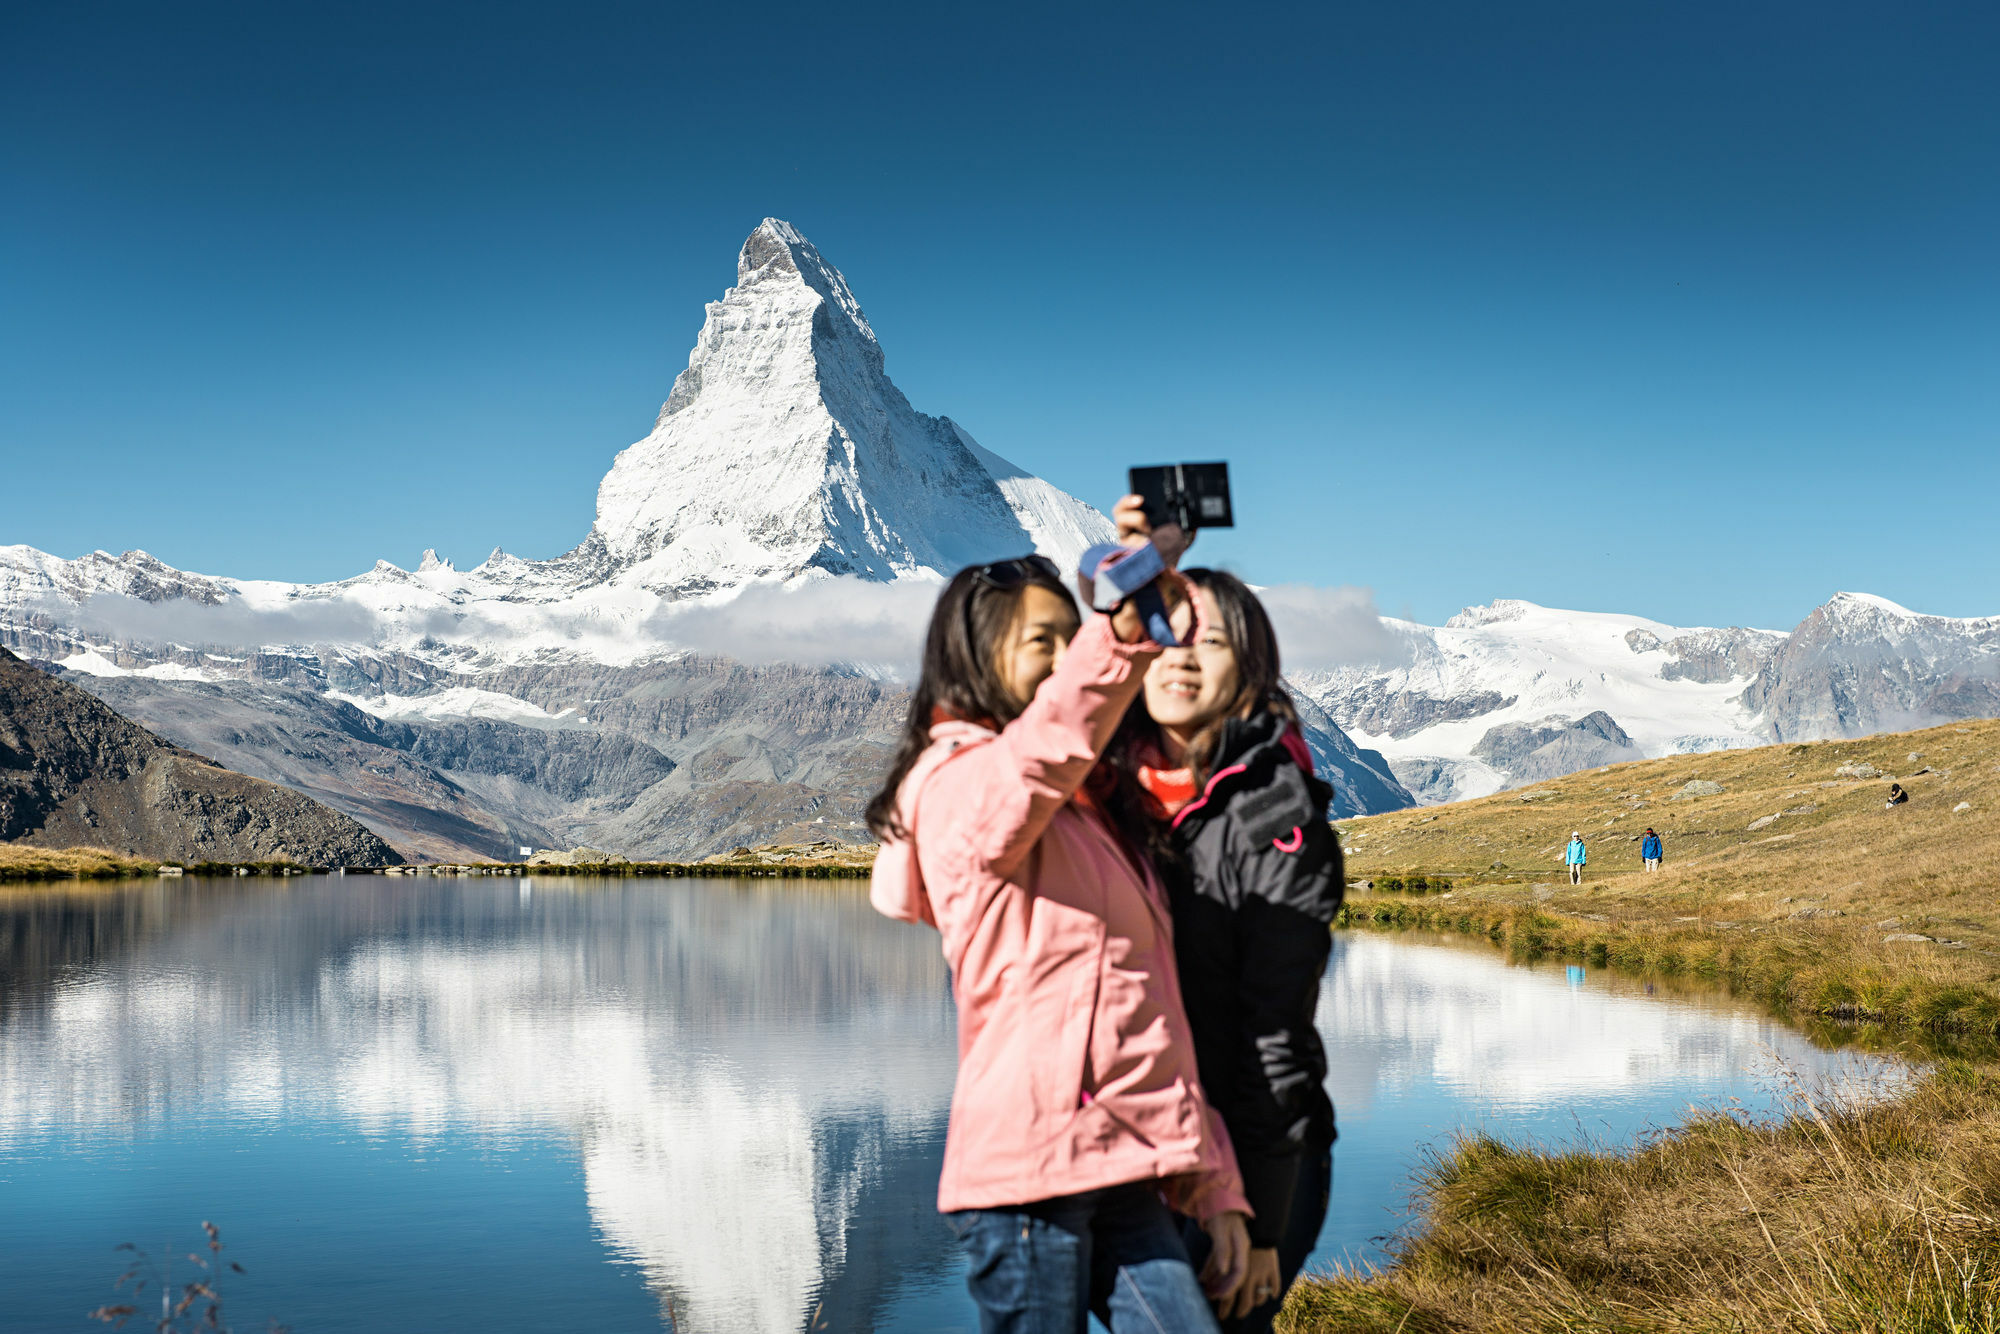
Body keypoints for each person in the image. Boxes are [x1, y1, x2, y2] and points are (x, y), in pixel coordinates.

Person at [867, 497, 1253, 1334]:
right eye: (1043, 639)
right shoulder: (963, 788)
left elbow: (1152, 1023)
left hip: (1126, 1167)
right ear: (975, 655)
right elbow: (1046, 747)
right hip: (1029, 1175)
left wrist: (1214, 1186)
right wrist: (1114, 623)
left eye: (1066, 636)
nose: (1062, 656)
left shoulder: (1089, 816)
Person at [1115, 568, 1343, 1333]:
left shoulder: (1275, 812)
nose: (1180, 656)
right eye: (1164, 635)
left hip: (1252, 1152)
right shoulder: (1101, 787)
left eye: (1207, 640)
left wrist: (1261, 1219)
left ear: (1248, 665)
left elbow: (1272, 1035)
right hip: (1129, 1153)